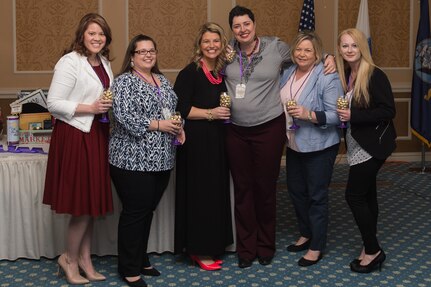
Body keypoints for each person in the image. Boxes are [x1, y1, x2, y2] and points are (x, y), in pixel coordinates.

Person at [224, 5, 336, 268]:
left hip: (268, 129)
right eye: (237, 26)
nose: (242, 29)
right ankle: (246, 249)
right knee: (243, 190)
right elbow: (205, 61)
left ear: (254, 24)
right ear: (232, 29)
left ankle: (265, 246)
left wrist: (329, 55)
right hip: (236, 131)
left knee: (265, 189)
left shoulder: (277, 47)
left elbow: (305, 53)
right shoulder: (226, 53)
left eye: (246, 24)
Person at [43, 13, 114, 285]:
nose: (97, 38)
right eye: (92, 33)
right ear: (82, 35)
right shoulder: (69, 61)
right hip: (75, 136)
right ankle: (69, 259)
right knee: (81, 205)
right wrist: (91, 108)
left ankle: (85, 260)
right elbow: (54, 103)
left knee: (91, 202)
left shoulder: (104, 62)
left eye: (101, 34)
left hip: (96, 134)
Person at [109, 34, 185, 287]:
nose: (148, 55)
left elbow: (173, 111)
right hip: (131, 160)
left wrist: (179, 126)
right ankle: (128, 268)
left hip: (161, 159)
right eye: (141, 51)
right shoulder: (123, 83)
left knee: (147, 211)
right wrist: (159, 125)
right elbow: (124, 118)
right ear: (132, 57)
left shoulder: (162, 80)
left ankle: (140, 259)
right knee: (134, 213)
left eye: (151, 50)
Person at [336, 28, 396, 273]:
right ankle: (368, 245)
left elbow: (388, 110)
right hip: (357, 143)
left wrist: (354, 115)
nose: (349, 50)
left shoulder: (374, 74)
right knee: (368, 195)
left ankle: (373, 250)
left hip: (373, 146)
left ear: (362, 48)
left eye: (354, 46)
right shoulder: (348, 74)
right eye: (344, 46)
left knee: (354, 196)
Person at [280, 30, 343, 267]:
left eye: (308, 50)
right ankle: (305, 233)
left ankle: (316, 245)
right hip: (294, 143)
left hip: (320, 145)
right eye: (299, 49)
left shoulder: (327, 76)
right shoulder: (287, 72)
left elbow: (337, 116)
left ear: (317, 53)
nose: (302, 54)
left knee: (316, 196)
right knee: (296, 192)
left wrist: (309, 114)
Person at [174, 22, 233, 271]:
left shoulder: (222, 72)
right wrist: (211, 113)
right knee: (199, 195)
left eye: (216, 41)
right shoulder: (190, 73)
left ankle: (212, 244)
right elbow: (182, 109)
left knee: (214, 194)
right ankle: (197, 250)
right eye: (207, 41)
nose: (212, 45)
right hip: (196, 143)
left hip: (217, 141)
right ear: (199, 45)